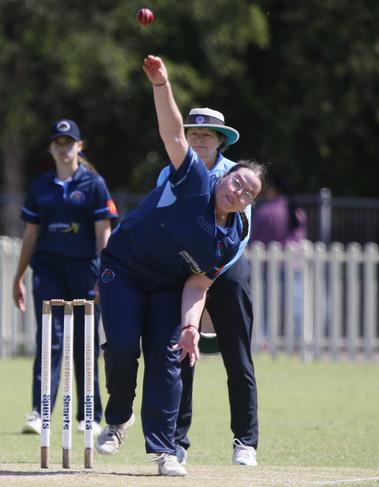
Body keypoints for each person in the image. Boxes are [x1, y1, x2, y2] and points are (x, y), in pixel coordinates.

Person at [94, 55, 264, 477]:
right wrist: (161, 84)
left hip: (169, 285)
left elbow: (197, 283)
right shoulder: (193, 180)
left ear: (249, 202)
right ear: (223, 177)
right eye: (236, 182)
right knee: (120, 349)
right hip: (126, 269)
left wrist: (191, 327)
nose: (238, 190)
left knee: (168, 358)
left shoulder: (230, 238)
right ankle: (117, 418)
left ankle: (166, 450)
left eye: (248, 191)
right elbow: (171, 132)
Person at [155, 107, 259, 467]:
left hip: (227, 269)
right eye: (193, 134)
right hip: (184, 270)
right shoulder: (171, 171)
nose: (198, 140)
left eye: (206, 136)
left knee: (238, 356)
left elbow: (242, 235)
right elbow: (161, 220)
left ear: (220, 141)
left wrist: (211, 272)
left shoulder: (235, 176)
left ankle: (245, 441)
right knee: (182, 354)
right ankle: (178, 443)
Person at [12, 119, 118, 436]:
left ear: (79, 146)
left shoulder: (94, 185)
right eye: (57, 142)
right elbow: (30, 236)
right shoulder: (40, 186)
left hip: (86, 269)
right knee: (50, 340)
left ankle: (90, 415)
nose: (63, 147)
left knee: (85, 342)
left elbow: (105, 233)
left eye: (68, 142)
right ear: (51, 148)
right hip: (47, 271)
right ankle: (39, 411)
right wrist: (17, 276)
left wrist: (106, 275)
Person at [249, 175, 307, 340]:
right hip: (294, 265)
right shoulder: (298, 212)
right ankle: (298, 339)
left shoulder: (266, 212)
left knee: (266, 306)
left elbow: (256, 241)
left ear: (274, 190)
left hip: (269, 267)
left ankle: (264, 338)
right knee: (296, 305)